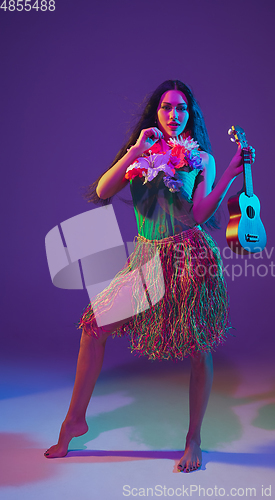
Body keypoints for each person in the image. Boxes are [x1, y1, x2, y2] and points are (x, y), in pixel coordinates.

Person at [44, 80, 254, 472]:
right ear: (155, 113)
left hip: (190, 257)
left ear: (190, 115)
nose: (174, 115)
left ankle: (194, 439)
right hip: (147, 259)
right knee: (95, 329)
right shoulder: (140, 155)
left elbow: (202, 212)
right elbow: (105, 190)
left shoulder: (201, 159)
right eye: (166, 108)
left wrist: (227, 171)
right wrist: (137, 151)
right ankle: (74, 421)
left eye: (182, 109)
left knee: (198, 348)